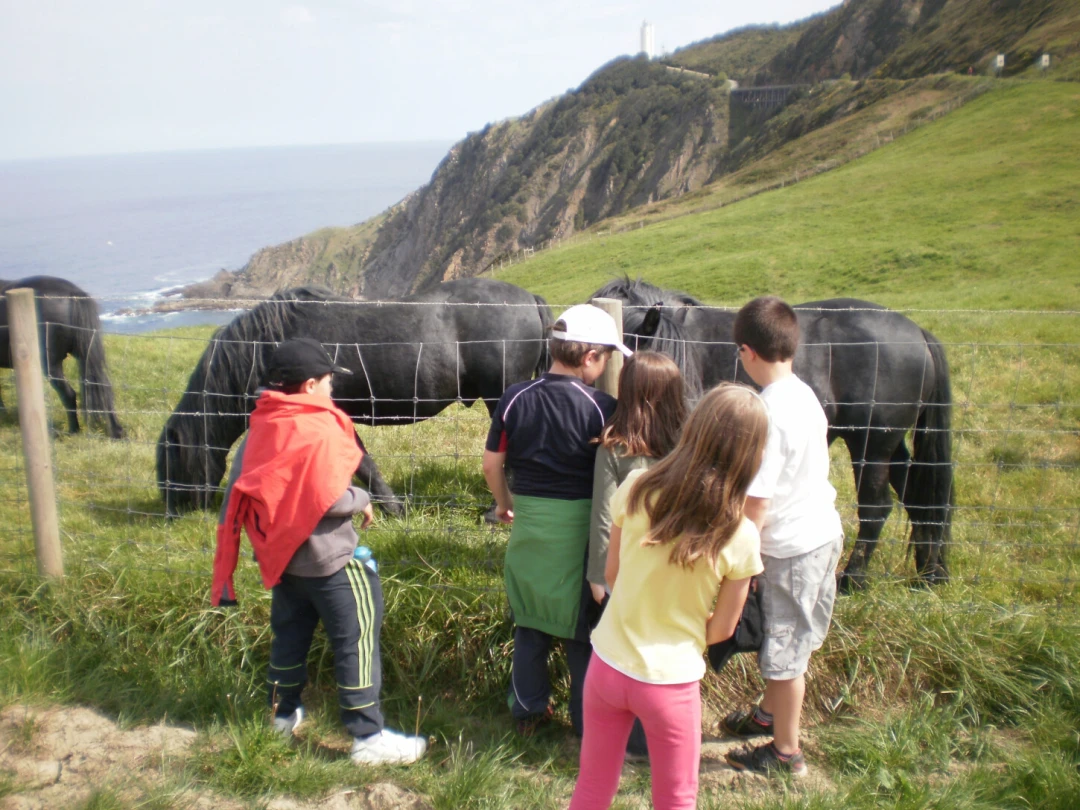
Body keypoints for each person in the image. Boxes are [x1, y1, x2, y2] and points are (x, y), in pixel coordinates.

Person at [211, 337, 427, 766]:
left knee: (289, 637)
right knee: (358, 638)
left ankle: (281, 714)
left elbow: (255, 486)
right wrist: (361, 498)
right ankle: (368, 736)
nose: (332, 389)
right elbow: (323, 497)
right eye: (328, 381)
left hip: (283, 560)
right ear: (310, 385)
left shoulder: (264, 422)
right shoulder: (315, 425)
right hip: (330, 560)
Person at [569, 384, 768, 810]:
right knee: (676, 799)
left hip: (606, 664)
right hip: (670, 682)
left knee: (591, 787)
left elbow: (611, 573)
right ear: (753, 455)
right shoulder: (741, 534)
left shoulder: (638, 485)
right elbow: (722, 630)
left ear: (693, 428)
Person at [482, 304, 631, 737]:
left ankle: (527, 710)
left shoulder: (514, 397)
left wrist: (504, 504)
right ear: (590, 358)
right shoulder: (604, 407)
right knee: (581, 629)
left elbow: (493, 465)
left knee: (529, 618)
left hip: (529, 521)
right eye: (605, 357)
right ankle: (588, 721)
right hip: (580, 529)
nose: (604, 366)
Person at [722, 296, 844, 779]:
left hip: (788, 545)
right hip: (821, 533)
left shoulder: (766, 413)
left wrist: (743, 559)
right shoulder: (805, 394)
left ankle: (786, 752)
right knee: (795, 634)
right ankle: (767, 716)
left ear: (747, 352)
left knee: (786, 651)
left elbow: (757, 501)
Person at [587, 350, 687, 759]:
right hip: (678, 570)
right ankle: (667, 736)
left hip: (626, 573)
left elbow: (602, 516)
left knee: (623, 654)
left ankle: (632, 739)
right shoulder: (687, 447)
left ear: (627, 394)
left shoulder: (614, 449)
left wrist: (598, 576)